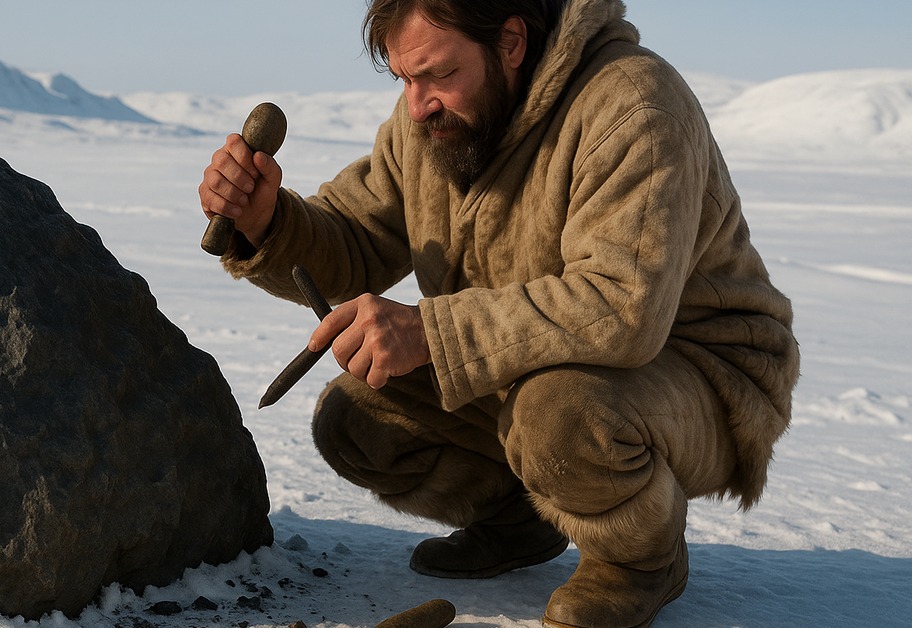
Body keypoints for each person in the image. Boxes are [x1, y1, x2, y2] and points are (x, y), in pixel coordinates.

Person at [197, 0, 799, 626]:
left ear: (511, 42)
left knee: (559, 414)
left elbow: (623, 306)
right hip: (535, 366)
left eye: (437, 73)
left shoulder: (634, 105)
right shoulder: (437, 121)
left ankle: (639, 560)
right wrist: (266, 221)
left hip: (701, 372)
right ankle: (517, 518)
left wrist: (430, 331)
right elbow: (356, 237)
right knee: (358, 418)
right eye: (404, 78)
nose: (416, 102)